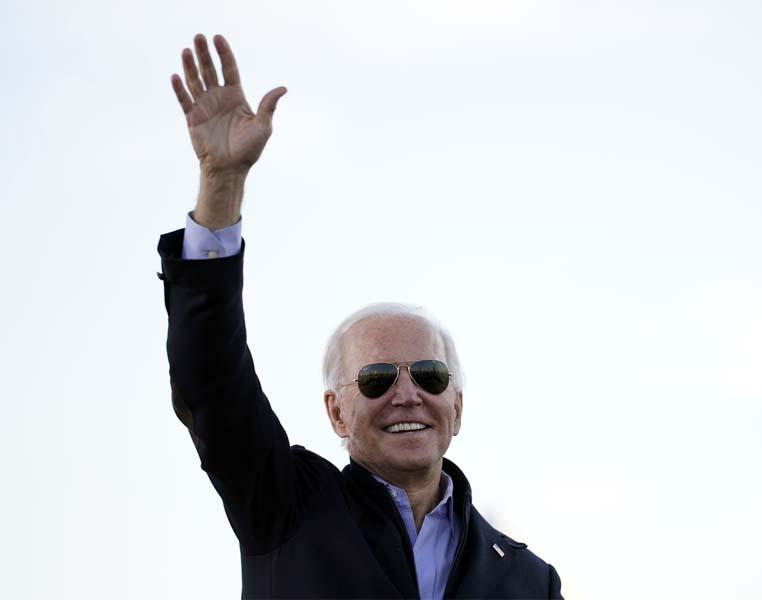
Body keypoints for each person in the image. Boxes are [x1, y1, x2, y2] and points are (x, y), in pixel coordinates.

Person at [157, 33, 564, 599]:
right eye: (377, 378)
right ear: (337, 412)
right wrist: (221, 185)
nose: (407, 395)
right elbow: (211, 384)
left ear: (457, 406)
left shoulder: (529, 580)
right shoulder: (286, 504)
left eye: (430, 376)